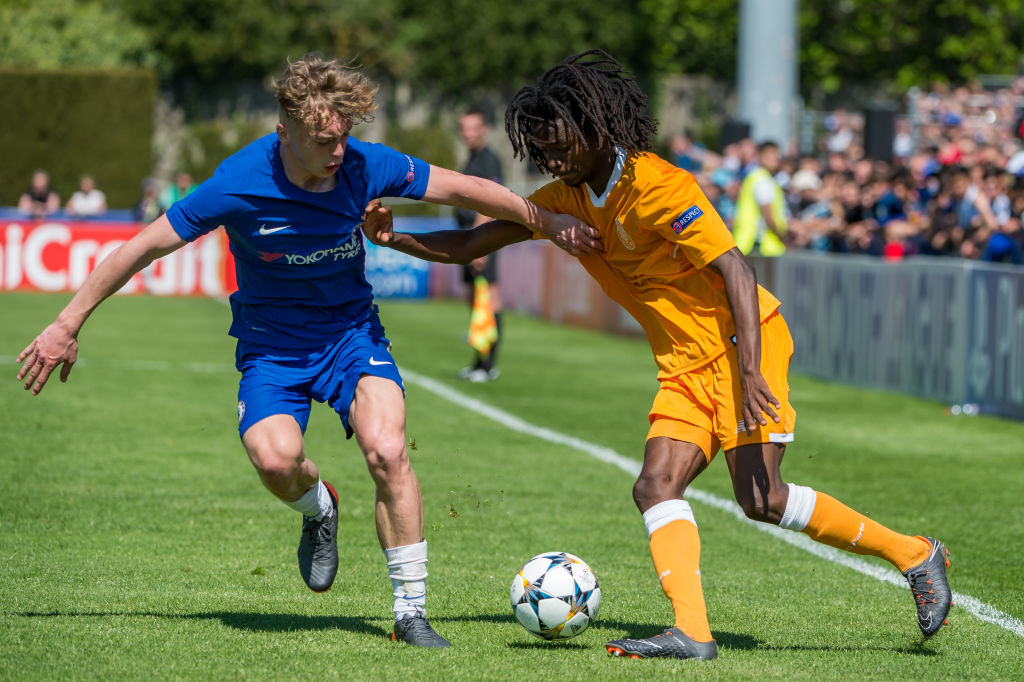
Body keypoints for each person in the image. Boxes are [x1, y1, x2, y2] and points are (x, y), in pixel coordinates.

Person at [362, 50, 952, 661]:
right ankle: (693, 635)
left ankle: (916, 554)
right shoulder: (564, 199)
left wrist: (749, 373)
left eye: (560, 145)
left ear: (596, 127)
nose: (552, 160)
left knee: (762, 499)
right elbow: (469, 242)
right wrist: (394, 236)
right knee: (655, 485)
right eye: (542, 151)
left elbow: (736, 271)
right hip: (684, 364)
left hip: (739, 346)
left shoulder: (659, 186)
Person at [16, 53, 598, 649]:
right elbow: (140, 249)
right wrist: (68, 322)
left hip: (351, 336)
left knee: (388, 449)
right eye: (322, 141)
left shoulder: (367, 166)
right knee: (274, 461)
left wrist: (547, 221)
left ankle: (411, 612)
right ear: (283, 133)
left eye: (343, 138)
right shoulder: (237, 184)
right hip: (270, 349)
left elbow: (468, 187)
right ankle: (320, 508)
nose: (337, 152)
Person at [454, 108, 504, 382]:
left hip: (481, 240)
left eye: (473, 128)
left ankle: (489, 365)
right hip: (469, 240)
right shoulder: (472, 159)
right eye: (464, 129)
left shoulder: (489, 160)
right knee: (475, 303)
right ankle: (478, 362)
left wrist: (478, 244)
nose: (468, 134)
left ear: (484, 129)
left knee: (490, 299)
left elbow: (491, 202)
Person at [733, 140, 788, 256]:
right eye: (771, 153)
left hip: (747, 244)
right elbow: (768, 216)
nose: (776, 157)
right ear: (759, 156)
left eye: (777, 153)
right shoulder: (763, 180)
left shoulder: (755, 177)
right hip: (760, 246)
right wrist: (784, 238)